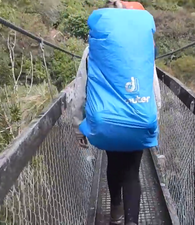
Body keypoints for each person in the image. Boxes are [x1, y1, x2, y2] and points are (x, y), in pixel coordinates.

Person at [71, 1, 161, 224]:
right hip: (139, 119)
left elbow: (81, 88)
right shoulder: (141, 45)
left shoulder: (93, 48)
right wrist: (155, 117)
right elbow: (153, 86)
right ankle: (132, 221)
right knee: (132, 171)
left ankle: (116, 212)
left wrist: (77, 125)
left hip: (106, 122)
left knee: (114, 163)